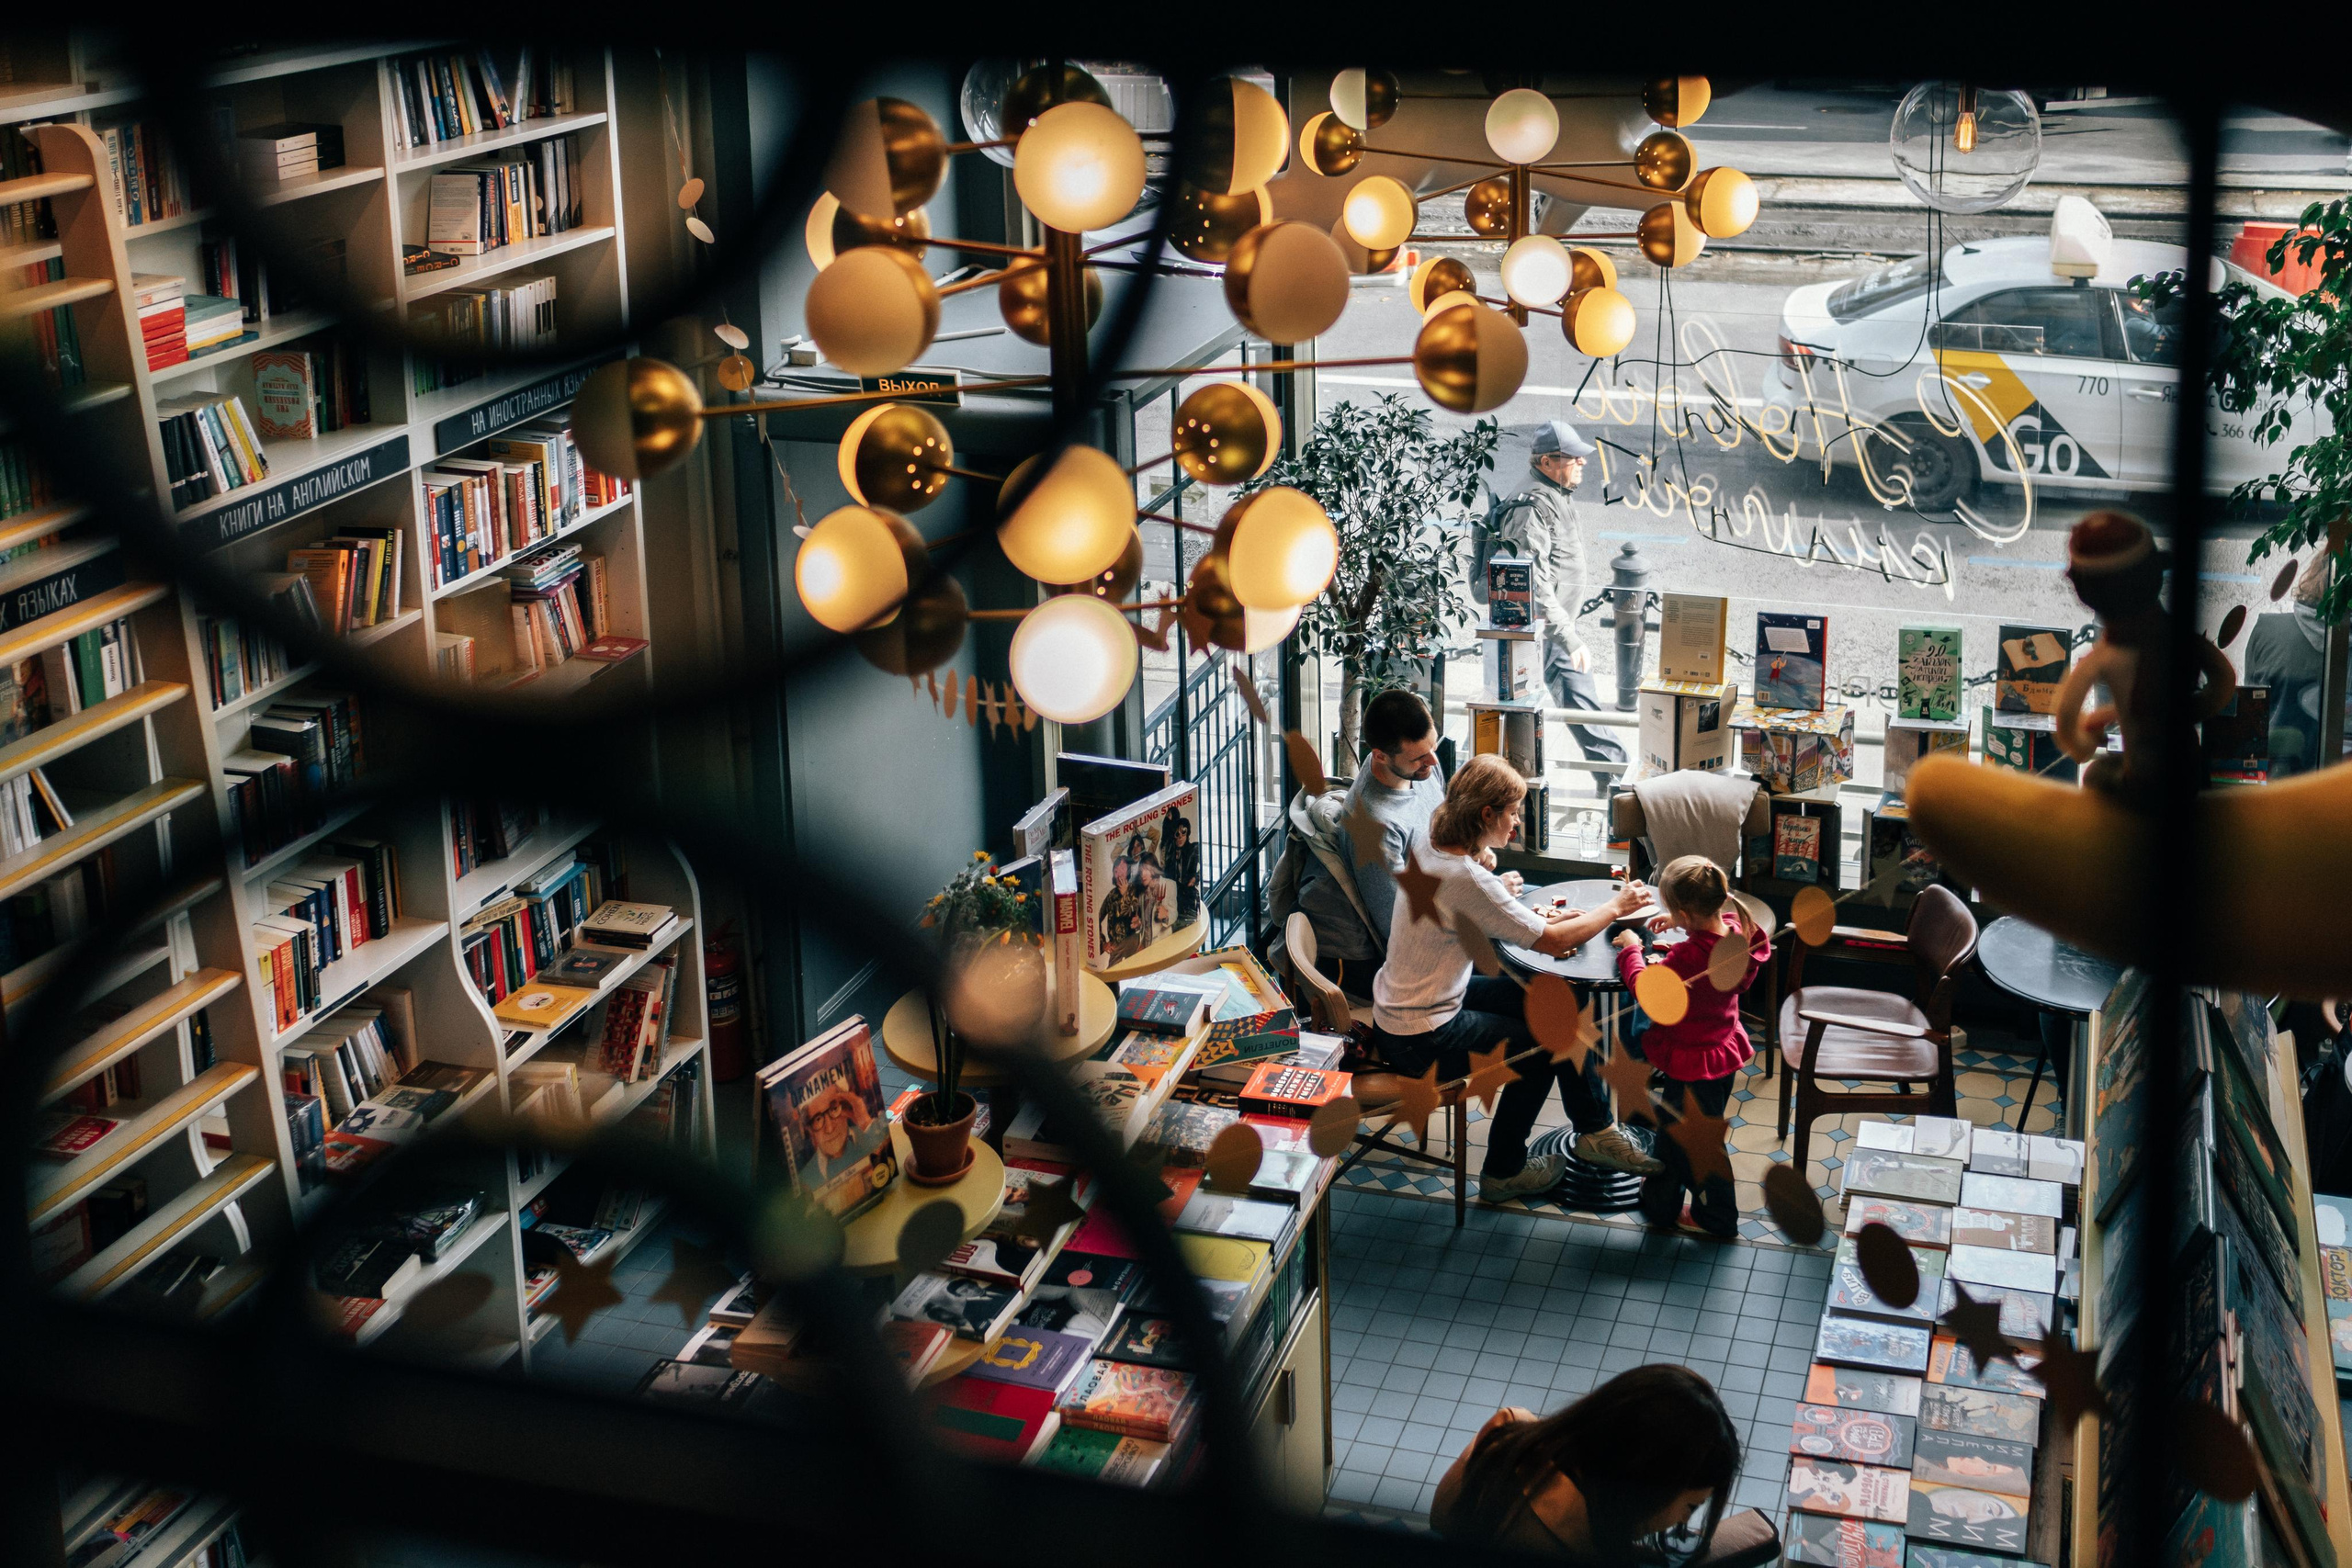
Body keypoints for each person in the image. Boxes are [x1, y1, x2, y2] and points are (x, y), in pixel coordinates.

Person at [1372, 753, 1662, 1195]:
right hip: (1423, 1034)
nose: (1518, 821)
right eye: (1512, 812)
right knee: (1544, 1045)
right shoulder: (1466, 880)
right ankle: (1503, 1172)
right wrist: (1615, 908)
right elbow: (1554, 942)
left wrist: (1495, 885)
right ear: (1486, 814)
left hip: (1406, 1005)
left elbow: (1468, 895)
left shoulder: (1430, 837)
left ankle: (1593, 1131)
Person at [1432, 1365, 1744, 1565]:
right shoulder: (1578, 1550)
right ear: (1644, 1484)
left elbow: (1440, 1517)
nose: (1684, 1522)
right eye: (1690, 1507)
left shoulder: (1509, 1430)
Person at [1611, 857, 1770, 1239]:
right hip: (1721, 1049)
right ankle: (1661, 1205)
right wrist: (1682, 924)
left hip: (1694, 1059)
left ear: (1684, 911)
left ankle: (1717, 1218)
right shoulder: (1736, 932)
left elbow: (1648, 992)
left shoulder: (1689, 957)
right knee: (1677, 1135)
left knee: (1697, 1142)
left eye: (1672, 911)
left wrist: (1631, 950)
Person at [1494, 420, 1627, 796]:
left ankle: (1617, 783)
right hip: (1540, 633)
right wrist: (1568, 636)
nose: (1583, 462)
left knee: (1574, 709)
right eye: (1574, 457)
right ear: (1547, 461)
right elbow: (1531, 582)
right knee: (1571, 710)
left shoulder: (1554, 493)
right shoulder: (1531, 505)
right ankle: (1620, 789)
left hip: (1550, 629)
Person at [1293, 688, 1446, 992]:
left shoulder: (1416, 769)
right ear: (1380, 755)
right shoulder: (1375, 829)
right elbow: (1399, 931)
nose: (1433, 761)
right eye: (1419, 757)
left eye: (1433, 746)